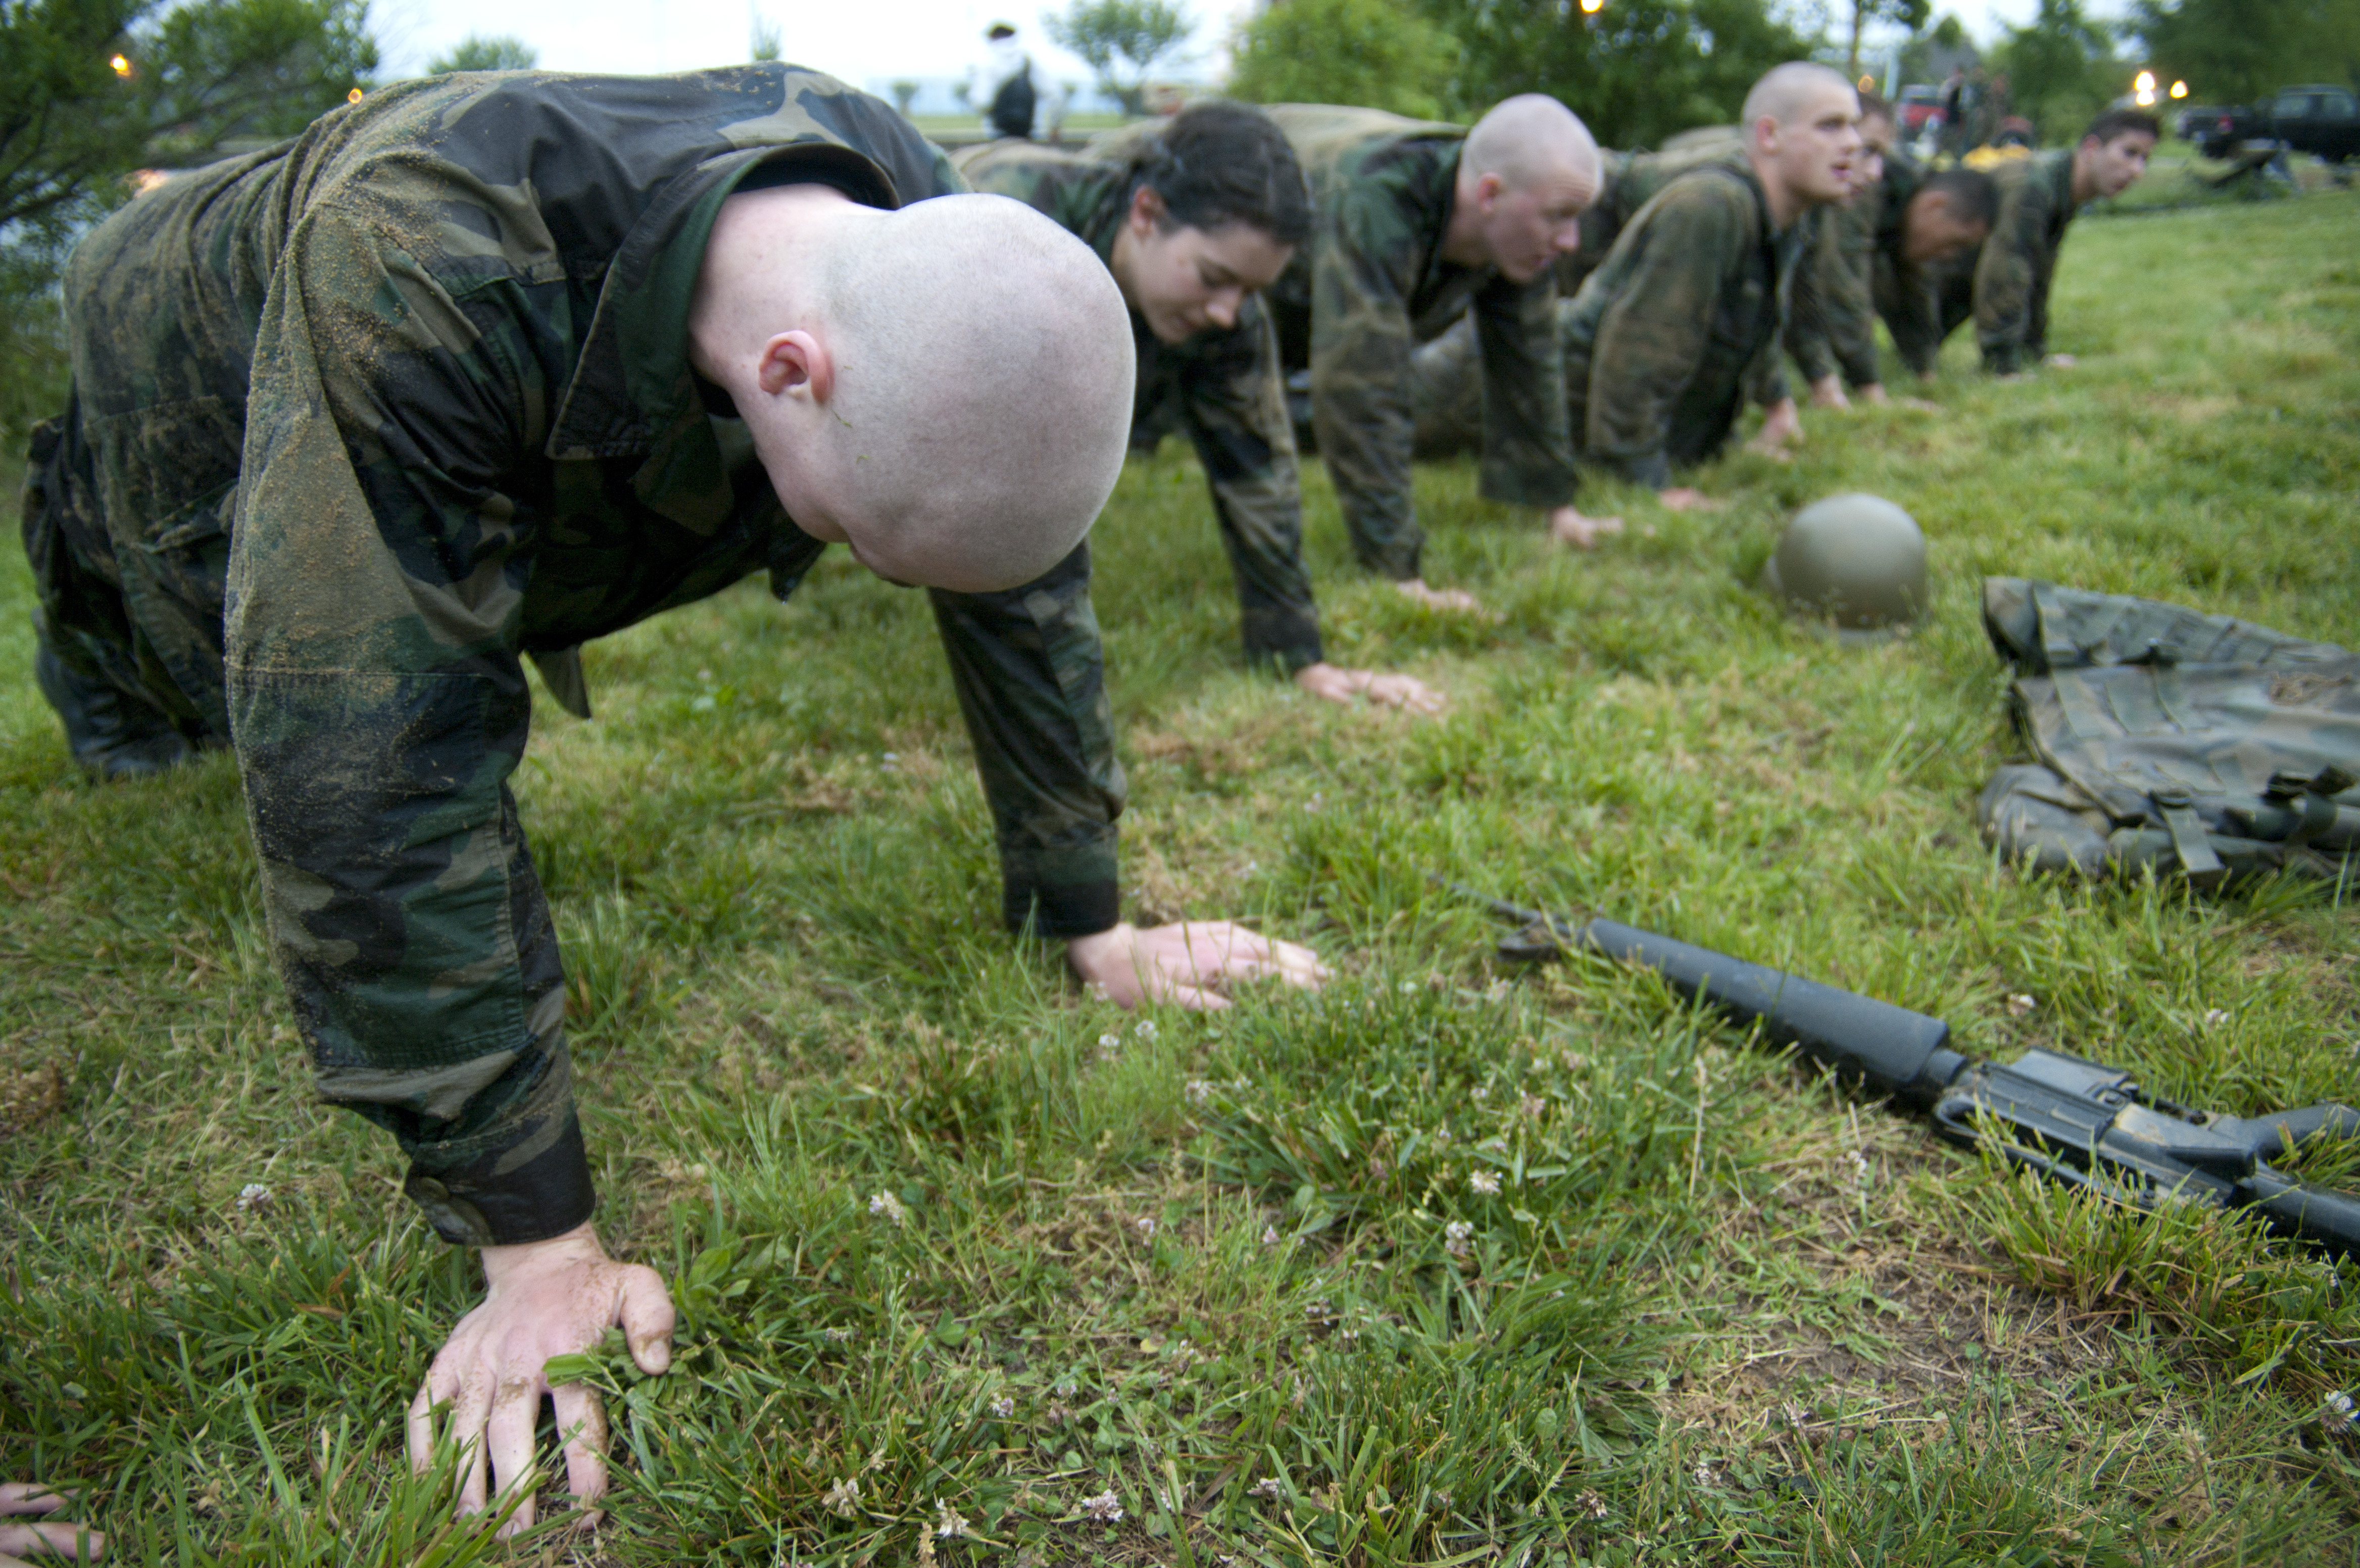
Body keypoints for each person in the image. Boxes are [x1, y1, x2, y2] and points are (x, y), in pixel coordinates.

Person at [18, 63, 1328, 1533]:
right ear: (788, 373)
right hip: (171, 335)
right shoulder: (420, 259)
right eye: (860, 541)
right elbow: (371, 743)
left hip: (519, 307)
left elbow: (1016, 584)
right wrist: (535, 1241)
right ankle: (102, 651)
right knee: (187, 648)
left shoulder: (903, 210)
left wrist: (1090, 913)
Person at [959, 104, 1442, 713]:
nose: (1226, 311)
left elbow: (1257, 473)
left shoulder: (1227, 316)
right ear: (1146, 213)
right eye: (1214, 277)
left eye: (1248, 291)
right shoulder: (1005, 225)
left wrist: (1296, 655)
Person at [1259, 96, 1602, 589]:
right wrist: (1398, 570)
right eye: (1559, 215)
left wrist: (1557, 505)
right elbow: (1362, 386)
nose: (1570, 240)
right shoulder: (1377, 197)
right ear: (1489, 195)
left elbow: (1532, 357)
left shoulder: (1514, 223)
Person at [1549, 64, 1859, 513]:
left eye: (1852, 126)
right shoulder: (1714, 204)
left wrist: (1772, 407)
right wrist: (1646, 483)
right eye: (1831, 126)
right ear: (1769, 136)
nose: (1852, 142)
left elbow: (1754, 319)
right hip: (1506, 384)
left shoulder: (1787, 218)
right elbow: (1639, 350)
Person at [1784, 94, 1996, 408]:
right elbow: (1840, 279)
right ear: (1934, 206)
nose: (1950, 256)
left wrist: (1924, 367)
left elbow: (1916, 285)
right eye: (1954, 243)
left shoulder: (1889, 181)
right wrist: (1868, 385)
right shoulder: (1863, 185)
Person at [1917, 108, 2158, 376]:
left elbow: (2037, 273)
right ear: (2092, 148)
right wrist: (2003, 366)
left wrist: (2034, 353)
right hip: (1909, 276)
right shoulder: (2035, 185)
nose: (2137, 171)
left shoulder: (2062, 189)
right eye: (2129, 153)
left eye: (2145, 159)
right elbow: (2006, 270)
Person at [969, 22, 1037, 140]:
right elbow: (1056, 96)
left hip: (998, 134)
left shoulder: (987, 61)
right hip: (1028, 134)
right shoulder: (1028, 60)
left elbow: (981, 101)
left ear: (993, 37)